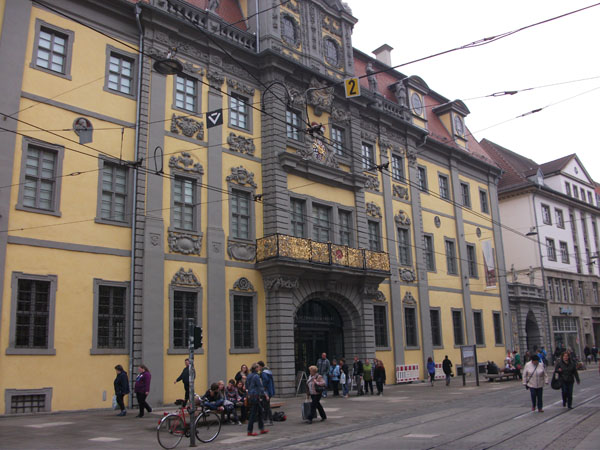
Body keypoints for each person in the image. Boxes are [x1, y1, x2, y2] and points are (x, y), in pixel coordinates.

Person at [246, 363, 268, 436]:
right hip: (255, 396)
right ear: (256, 368)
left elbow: (247, 386)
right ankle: (250, 431)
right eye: (258, 367)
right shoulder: (256, 376)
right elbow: (260, 386)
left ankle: (261, 428)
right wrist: (265, 394)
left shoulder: (249, 376)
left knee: (260, 412)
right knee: (253, 414)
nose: (259, 369)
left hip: (251, 396)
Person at [258, 361, 274, 425]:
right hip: (269, 391)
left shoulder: (263, 373)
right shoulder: (268, 371)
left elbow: (265, 380)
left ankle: (269, 420)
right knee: (266, 406)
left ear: (261, 366)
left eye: (258, 366)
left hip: (266, 391)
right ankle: (267, 419)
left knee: (266, 406)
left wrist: (263, 388)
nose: (258, 368)